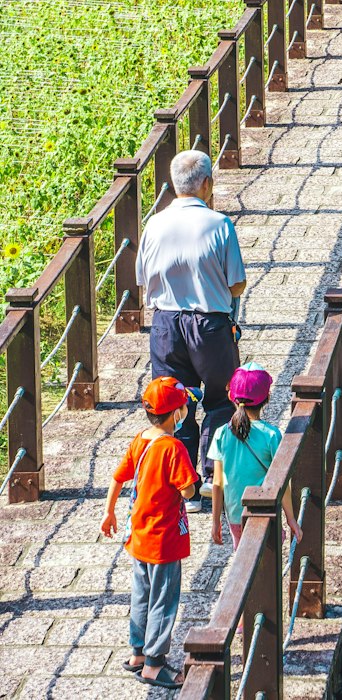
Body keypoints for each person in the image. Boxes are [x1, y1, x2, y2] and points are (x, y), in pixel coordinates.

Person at [136, 149, 246, 498]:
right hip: (210, 326)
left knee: (174, 404)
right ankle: (214, 477)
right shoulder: (219, 224)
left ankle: (185, 485)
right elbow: (237, 283)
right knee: (219, 400)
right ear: (207, 184)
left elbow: (142, 277)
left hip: (166, 325)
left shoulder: (153, 225)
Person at [100, 376, 198, 690]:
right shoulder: (174, 447)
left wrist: (108, 511)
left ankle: (138, 654)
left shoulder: (140, 439)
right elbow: (188, 491)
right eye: (183, 406)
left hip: (139, 535)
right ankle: (155, 665)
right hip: (165, 539)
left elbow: (118, 477)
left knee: (141, 596)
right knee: (163, 601)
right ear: (175, 413)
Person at [209, 364, 302, 550]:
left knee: (243, 557)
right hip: (265, 513)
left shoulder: (221, 433)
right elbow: (281, 483)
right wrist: (291, 518)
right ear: (267, 398)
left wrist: (215, 522)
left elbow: (217, 483)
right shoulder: (271, 435)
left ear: (231, 396)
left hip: (235, 515)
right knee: (267, 559)